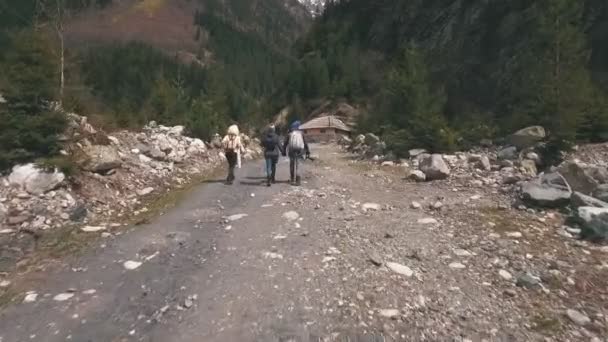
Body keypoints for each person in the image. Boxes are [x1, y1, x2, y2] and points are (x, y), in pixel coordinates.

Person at [283, 120, 310, 186]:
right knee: (298, 165)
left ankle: (292, 179)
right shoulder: (301, 133)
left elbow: (285, 143)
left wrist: (283, 151)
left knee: (292, 164)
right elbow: (305, 143)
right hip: (300, 150)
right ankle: (298, 180)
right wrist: (307, 151)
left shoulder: (289, 134)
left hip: (292, 150)